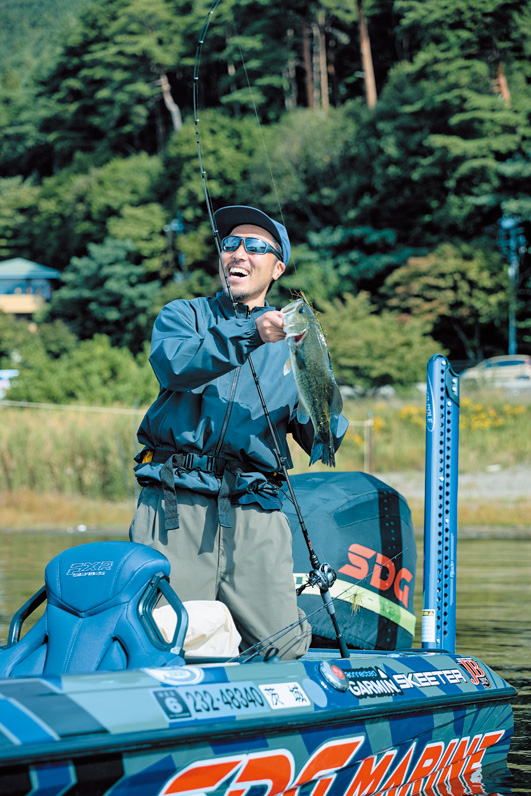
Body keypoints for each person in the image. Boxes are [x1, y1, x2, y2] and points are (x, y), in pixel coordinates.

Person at [129, 205, 348, 659]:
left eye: (255, 246)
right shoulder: (183, 316)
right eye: (230, 244)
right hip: (177, 505)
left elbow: (320, 437)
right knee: (159, 637)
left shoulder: (295, 340)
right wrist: (251, 332)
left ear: (278, 267)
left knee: (284, 647)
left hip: (255, 511)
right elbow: (174, 367)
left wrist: (320, 391)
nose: (238, 253)